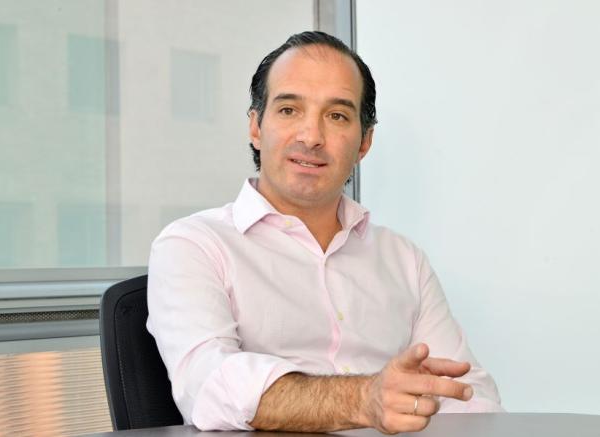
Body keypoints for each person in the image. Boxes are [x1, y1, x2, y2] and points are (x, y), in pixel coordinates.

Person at [147, 31, 502, 434]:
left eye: (337, 116)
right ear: (256, 128)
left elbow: (470, 397)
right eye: (288, 110)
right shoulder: (193, 245)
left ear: (364, 142)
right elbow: (208, 385)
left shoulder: (403, 259)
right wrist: (363, 399)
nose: (311, 137)